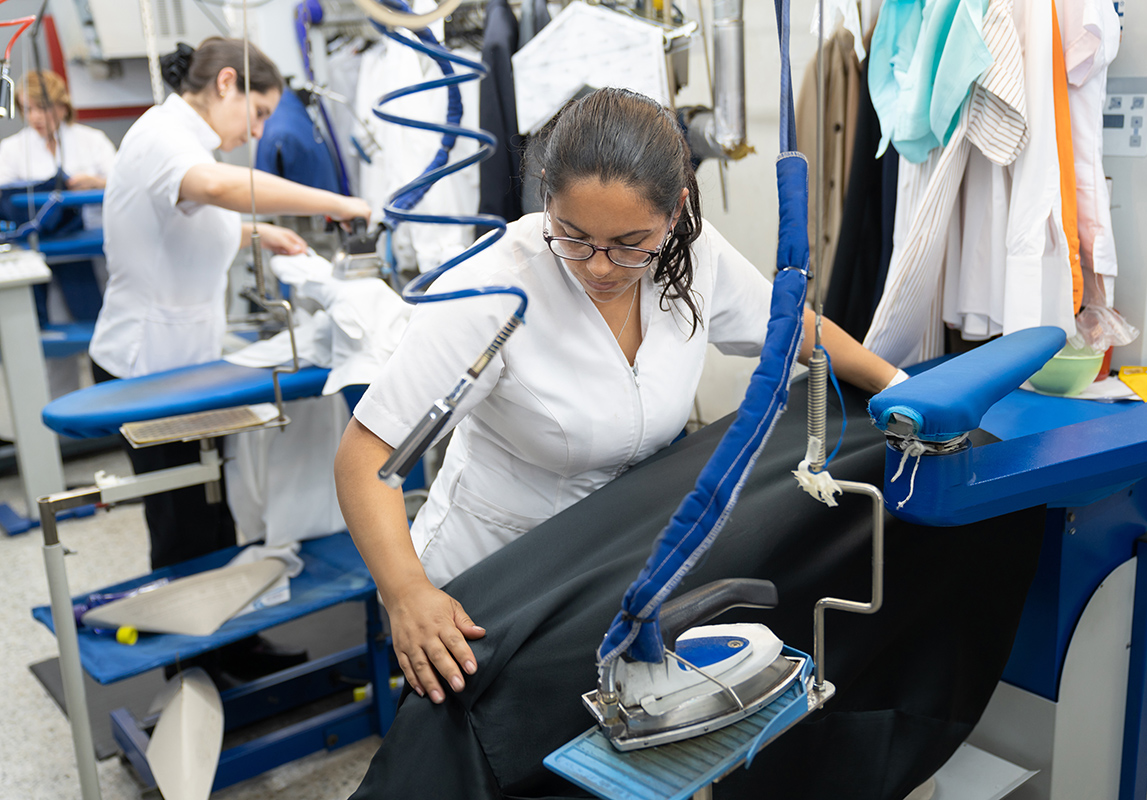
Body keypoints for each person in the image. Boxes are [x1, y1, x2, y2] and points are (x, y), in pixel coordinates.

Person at [334, 87, 903, 706]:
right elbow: (368, 460)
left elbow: (791, 325)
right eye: (573, 236)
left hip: (615, 564)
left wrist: (897, 385)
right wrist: (406, 593)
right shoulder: (492, 292)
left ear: (676, 211)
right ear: (545, 197)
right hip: (493, 581)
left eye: (631, 243)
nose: (601, 267)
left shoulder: (695, 253)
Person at [88, 37, 371, 571]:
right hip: (142, 364)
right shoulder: (161, 135)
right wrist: (339, 201)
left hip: (183, 363)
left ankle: (232, 643)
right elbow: (216, 188)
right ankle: (192, 654)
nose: (259, 130)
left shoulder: (188, 144)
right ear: (226, 83)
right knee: (182, 521)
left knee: (213, 514)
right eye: (259, 111)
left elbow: (179, 226)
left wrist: (257, 233)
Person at [0, 70, 116, 327]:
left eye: (42, 108)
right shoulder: (12, 149)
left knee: (102, 322)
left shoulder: (92, 141)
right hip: (41, 251)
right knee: (54, 327)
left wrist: (97, 183)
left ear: (62, 107)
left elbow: (125, 183)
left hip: (94, 248)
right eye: (28, 109)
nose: (35, 117)